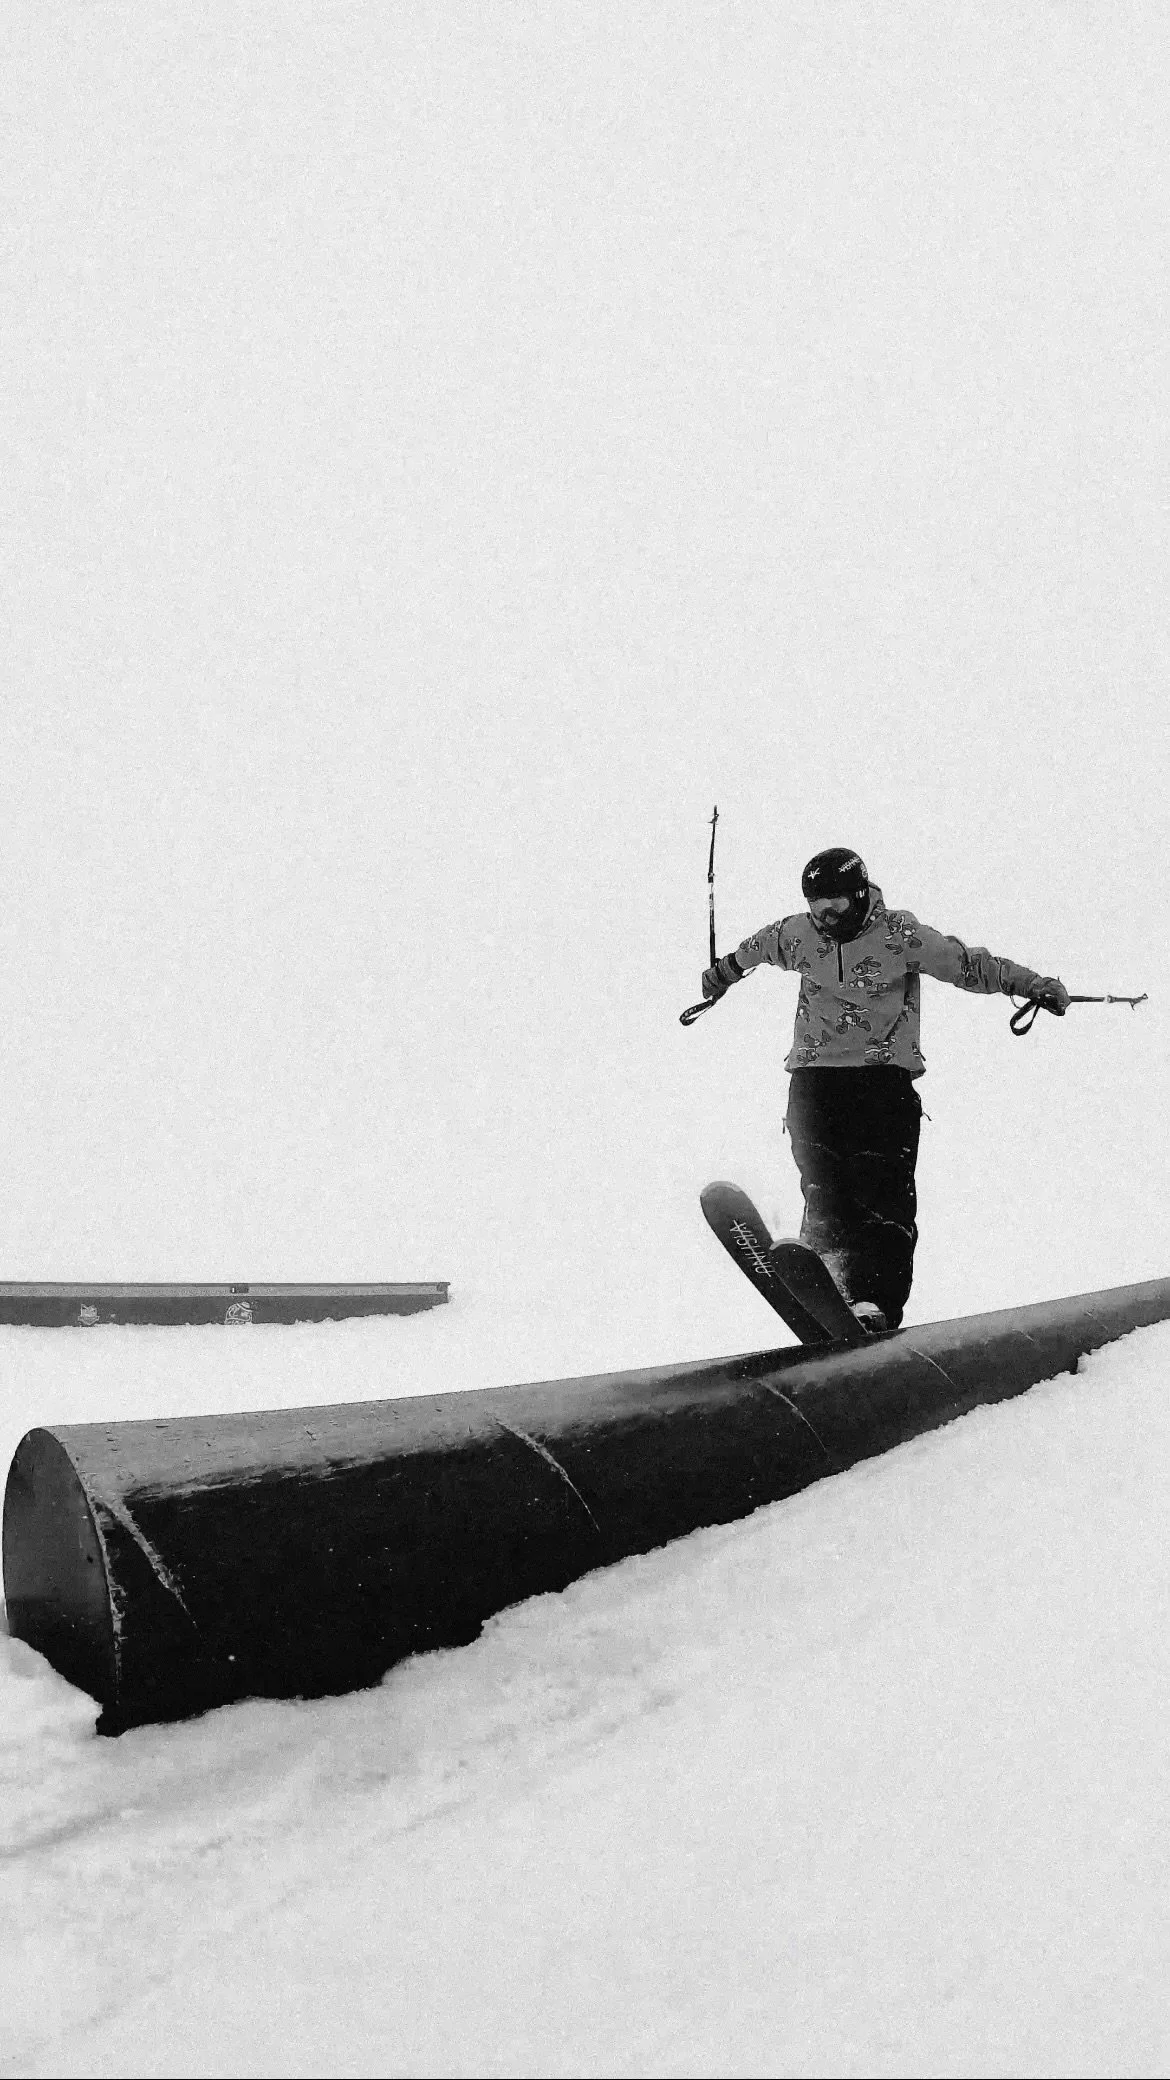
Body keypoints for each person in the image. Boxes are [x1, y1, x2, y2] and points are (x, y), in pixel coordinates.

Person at [700, 847, 1070, 1334]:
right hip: (815, 1080)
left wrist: (1032, 985)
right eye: (815, 908)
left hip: (882, 1083)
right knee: (826, 1188)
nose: (824, 917)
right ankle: (829, 1278)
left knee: (883, 1195)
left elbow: (970, 966)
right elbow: (755, 948)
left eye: (833, 906)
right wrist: (723, 973)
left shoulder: (900, 935)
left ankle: (875, 1300)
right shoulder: (797, 934)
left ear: (858, 894)